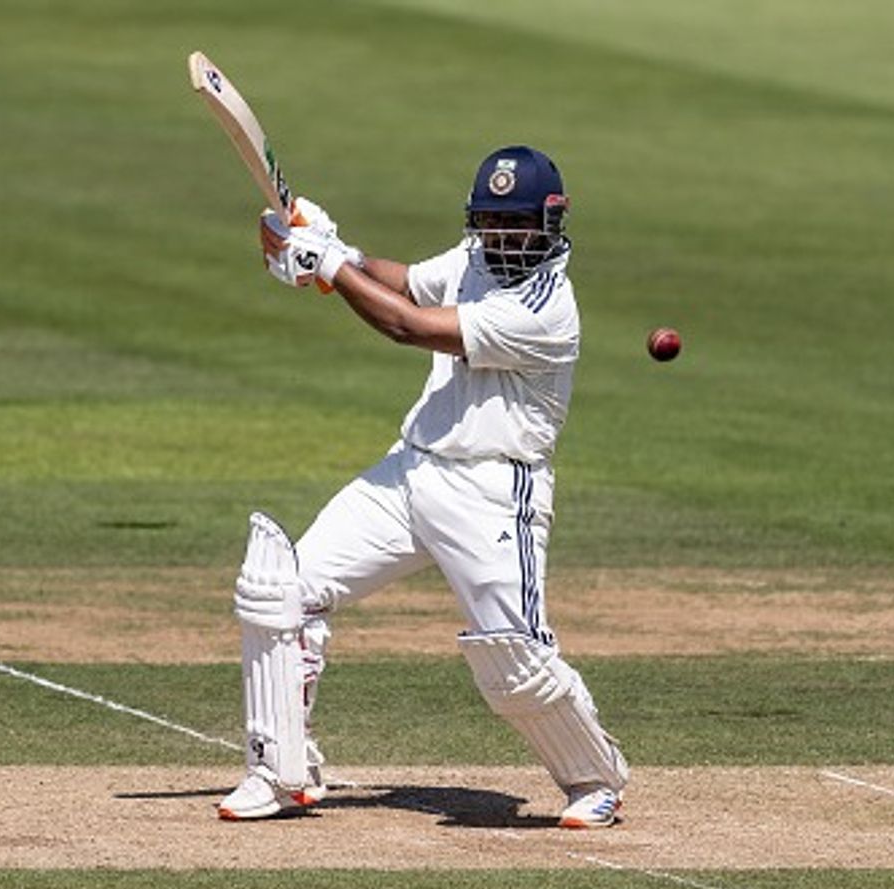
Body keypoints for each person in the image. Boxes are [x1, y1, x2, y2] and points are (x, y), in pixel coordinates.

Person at [218, 146, 629, 828]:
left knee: (514, 658)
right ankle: (280, 770)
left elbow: (405, 325)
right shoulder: (474, 261)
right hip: (410, 473)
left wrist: (328, 266)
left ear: (551, 224)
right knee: (283, 590)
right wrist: (334, 248)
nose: (503, 239)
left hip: (494, 492)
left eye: (518, 225)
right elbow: (406, 285)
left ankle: (595, 780)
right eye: (492, 224)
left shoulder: (545, 307)